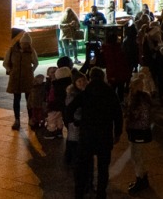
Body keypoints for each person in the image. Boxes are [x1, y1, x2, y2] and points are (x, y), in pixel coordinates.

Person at [66, 66, 122, 199]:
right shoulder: (110, 93)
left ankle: (79, 192)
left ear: (90, 78)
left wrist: (75, 121)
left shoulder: (86, 93)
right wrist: (117, 133)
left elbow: (69, 109)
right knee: (103, 168)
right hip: (104, 135)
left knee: (82, 166)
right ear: (103, 77)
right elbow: (118, 115)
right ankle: (101, 193)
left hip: (87, 135)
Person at [4, 31, 38, 130]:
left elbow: (36, 62)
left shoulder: (31, 51)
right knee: (16, 99)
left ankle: (31, 119)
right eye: (25, 44)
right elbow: (5, 63)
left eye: (28, 44)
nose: (26, 46)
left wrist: (31, 71)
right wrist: (10, 70)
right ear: (21, 42)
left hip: (27, 78)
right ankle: (17, 120)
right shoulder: (12, 50)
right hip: (15, 78)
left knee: (29, 99)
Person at [125, 76, 154, 194]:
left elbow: (143, 117)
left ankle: (141, 180)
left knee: (137, 157)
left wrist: (131, 115)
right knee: (135, 156)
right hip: (134, 130)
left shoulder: (141, 99)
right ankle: (142, 179)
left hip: (139, 131)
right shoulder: (134, 97)